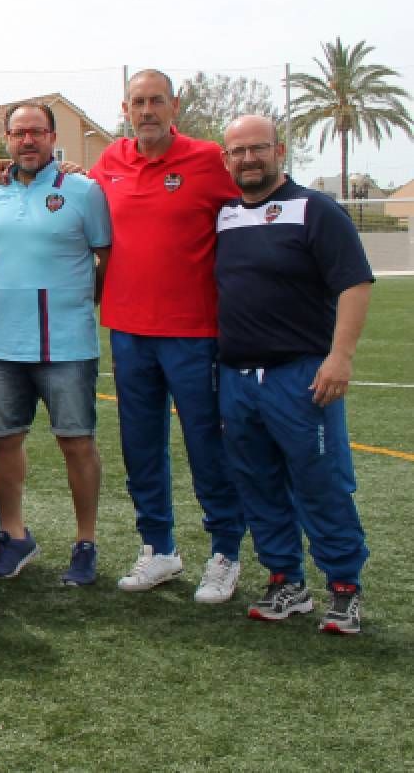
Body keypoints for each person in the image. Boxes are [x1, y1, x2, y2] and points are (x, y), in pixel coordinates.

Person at [215, 115, 374, 634]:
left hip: (301, 375)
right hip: (238, 378)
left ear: (279, 150)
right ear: (226, 159)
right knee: (256, 483)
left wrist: (340, 357)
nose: (248, 159)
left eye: (257, 149)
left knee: (321, 481)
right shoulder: (224, 216)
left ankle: (345, 588)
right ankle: (286, 580)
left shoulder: (316, 209)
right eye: (237, 152)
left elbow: (354, 283)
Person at [91, 70, 245, 602]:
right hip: (129, 332)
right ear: (125, 108)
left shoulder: (207, 160)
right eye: (138, 102)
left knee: (206, 443)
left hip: (195, 333)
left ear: (174, 105)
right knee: (140, 445)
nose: (147, 110)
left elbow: (248, 207)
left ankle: (225, 551)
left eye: (157, 100)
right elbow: (71, 197)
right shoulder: (109, 162)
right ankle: (158, 548)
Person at [0, 102, 112, 586]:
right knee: (2, 442)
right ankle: (14, 535)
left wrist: (81, 303)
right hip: (0, 345)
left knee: (77, 443)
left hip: (67, 345)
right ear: (7, 139)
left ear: (53, 137)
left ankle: (86, 542)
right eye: (18, 133)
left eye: (37, 132)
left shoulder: (83, 190)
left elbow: (105, 254)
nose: (27, 141)